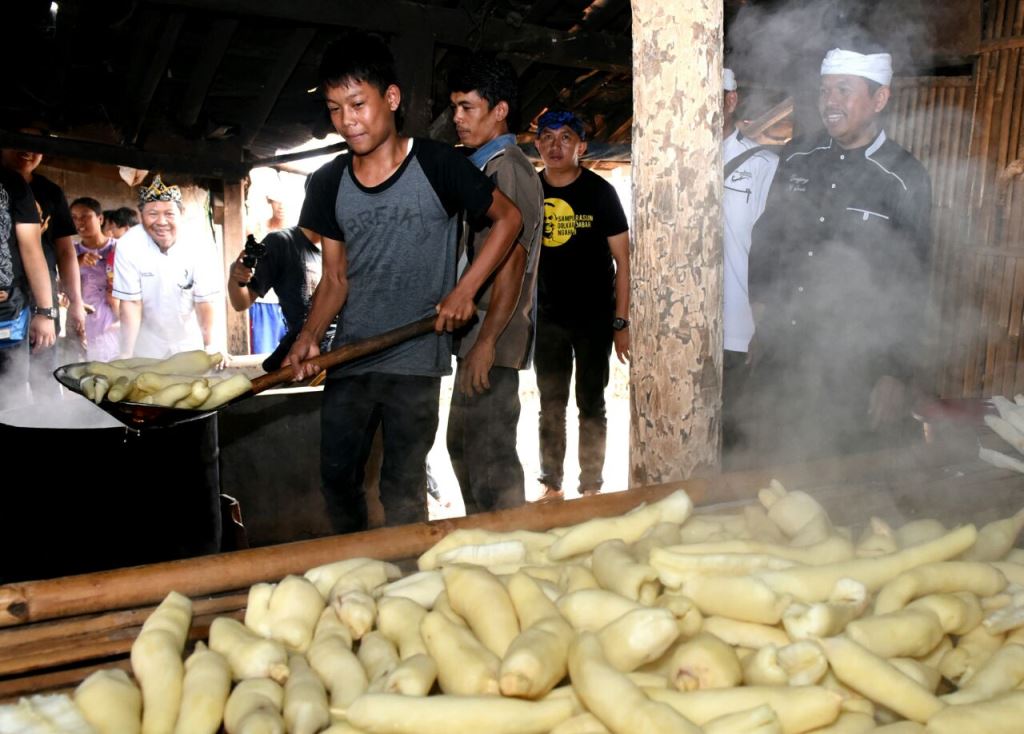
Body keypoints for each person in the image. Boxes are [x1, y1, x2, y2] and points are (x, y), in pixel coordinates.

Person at [283, 33, 522, 533]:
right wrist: (308, 338)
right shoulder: (328, 182)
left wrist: (463, 292)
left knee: (402, 485)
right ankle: (355, 569)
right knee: (337, 477)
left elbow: (509, 222)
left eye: (357, 104)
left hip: (415, 361)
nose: (347, 120)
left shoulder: (439, 165)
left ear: (390, 99)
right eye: (334, 109)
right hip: (350, 355)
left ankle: (408, 583)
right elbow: (335, 278)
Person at [748, 46, 932, 462]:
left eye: (843, 90)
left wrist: (894, 372)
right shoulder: (798, 156)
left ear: (879, 99)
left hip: (855, 358)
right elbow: (767, 237)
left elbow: (914, 279)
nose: (829, 101)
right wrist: (763, 313)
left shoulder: (904, 176)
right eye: (825, 90)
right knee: (772, 460)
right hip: (786, 347)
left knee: (842, 469)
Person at [445, 56, 544, 514]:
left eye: (468, 107)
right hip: (477, 334)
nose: (457, 118)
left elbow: (515, 260)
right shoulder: (484, 168)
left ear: (500, 110)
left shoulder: (510, 169)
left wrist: (486, 342)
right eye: (454, 108)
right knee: (464, 449)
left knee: (490, 459)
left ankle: (509, 551)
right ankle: (484, 545)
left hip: (495, 336)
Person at [533, 110, 631, 500]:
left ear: (582, 147)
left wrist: (621, 324)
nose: (556, 146)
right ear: (537, 144)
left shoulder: (600, 192)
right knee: (550, 406)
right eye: (548, 138)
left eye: (566, 138)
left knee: (592, 403)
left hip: (593, 320)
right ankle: (550, 484)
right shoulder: (529, 190)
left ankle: (591, 486)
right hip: (547, 319)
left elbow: (624, 260)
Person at [720, 67, 779, 460]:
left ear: (730, 101)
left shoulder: (763, 166)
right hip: (679, 331)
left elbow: (775, 252)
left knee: (734, 443)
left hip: (738, 331)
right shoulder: (664, 163)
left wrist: (765, 323)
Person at [2, 133, 86, 400]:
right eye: (18, 140)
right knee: (8, 387)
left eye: (36, 145)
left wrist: (74, 302)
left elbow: (63, 251)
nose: (27, 151)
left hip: (40, 297)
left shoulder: (49, 191)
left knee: (44, 379)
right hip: (8, 302)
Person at [112, 175, 223, 359]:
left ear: (182, 213)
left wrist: (210, 345)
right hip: (147, 341)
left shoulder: (200, 242)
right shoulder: (128, 244)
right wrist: (126, 353)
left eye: (169, 213)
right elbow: (131, 303)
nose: (161, 222)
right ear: (141, 216)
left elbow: (204, 301)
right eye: (153, 214)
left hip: (189, 340)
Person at [227, 225, 337, 370]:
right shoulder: (281, 243)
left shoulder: (343, 246)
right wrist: (237, 279)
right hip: (302, 355)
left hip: (343, 352)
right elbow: (241, 303)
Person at [0, 166, 55, 410]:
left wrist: (45, 312)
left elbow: (32, 248)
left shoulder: (11, 182)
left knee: (9, 396)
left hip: (6, 314)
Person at [70, 197, 120, 362]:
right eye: (75, 218)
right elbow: (60, 284)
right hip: (86, 319)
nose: (80, 222)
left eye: (85, 216)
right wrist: (77, 262)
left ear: (100, 218)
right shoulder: (71, 252)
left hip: (116, 317)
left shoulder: (120, 248)